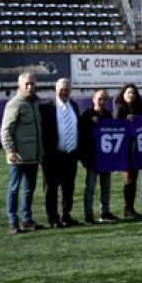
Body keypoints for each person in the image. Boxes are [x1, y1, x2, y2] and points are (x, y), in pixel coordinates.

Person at [1, 73, 44, 234]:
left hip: (33, 156)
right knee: (14, 189)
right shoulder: (15, 104)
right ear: (19, 85)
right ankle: (13, 221)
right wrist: (10, 150)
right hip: (18, 156)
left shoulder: (35, 103)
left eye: (32, 84)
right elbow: (5, 130)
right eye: (27, 84)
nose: (30, 87)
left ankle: (26, 219)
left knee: (29, 189)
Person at [39, 78, 80, 228]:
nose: (64, 92)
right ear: (56, 90)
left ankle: (66, 215)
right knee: (51, 188)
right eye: (61, 89)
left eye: (67, 89)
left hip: (71, 155)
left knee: (69, 187)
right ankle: (53, 218)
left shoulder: (74, 106)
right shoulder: (46, 107)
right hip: (52, 155)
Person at [80, 88, 116, 224]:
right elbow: (82, 136)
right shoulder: (87, 115)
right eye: (100, 98)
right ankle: (88, 215)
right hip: (92, 158)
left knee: (106, 187)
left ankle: (104, 212)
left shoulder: (108, 116)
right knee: (90, 187)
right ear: (93, 99)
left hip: (106, 158)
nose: (102, 101)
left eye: (105, 99)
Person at [113, 83, 142, 219]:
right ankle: (127, 208)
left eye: (133, 93)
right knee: (129, 179)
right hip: (124, 149)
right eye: (129, 93)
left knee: (134, 178)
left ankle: (130, 208)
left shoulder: (139, 108)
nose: (131, 95)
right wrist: (124, 120)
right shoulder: (120, 108)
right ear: (123, 94)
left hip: (137, 148)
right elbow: (115, 124)